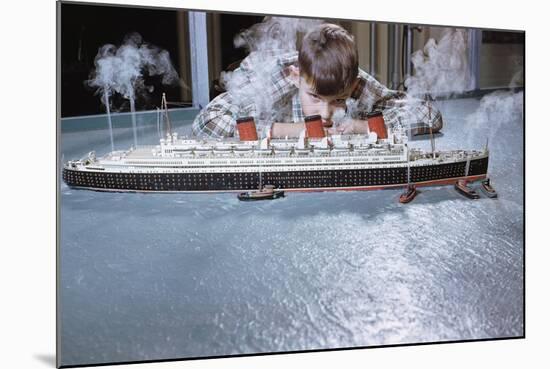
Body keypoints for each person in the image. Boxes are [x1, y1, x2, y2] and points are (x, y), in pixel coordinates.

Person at [192, 23, 442, 139]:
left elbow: (428, 114)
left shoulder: (354, 82)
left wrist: (362, 126)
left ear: (352, 86)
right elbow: (208, 121)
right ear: (295, 77)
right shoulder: (271, 81)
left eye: (338, 100)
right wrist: (292, 130)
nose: (326, 114)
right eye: (315, 97)